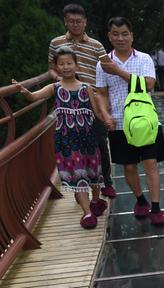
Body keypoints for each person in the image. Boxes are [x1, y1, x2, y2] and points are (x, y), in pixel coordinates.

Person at [13, 48, 106, 229]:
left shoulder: (86, 89)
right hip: (66, 141)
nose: (66, 67)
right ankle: (87, 213)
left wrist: (109, 121)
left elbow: (96, 113)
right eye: (61, 64)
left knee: (93, 173)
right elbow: (34, 97)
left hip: (88, 139)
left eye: (69, 63)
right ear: (56, 67)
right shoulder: (54, 88)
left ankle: (96, 201)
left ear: (76, 65)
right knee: (76, 173)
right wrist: (24, 91)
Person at [95, 16, 164, 226]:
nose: (120, 38)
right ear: (109, 36)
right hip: (119, 122)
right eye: (116, 34)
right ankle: (140, 200)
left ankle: (156, 207)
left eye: (125, 33)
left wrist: (118, 71)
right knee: (128, 168)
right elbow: (100, 93)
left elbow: (149, 84)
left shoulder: (143, 59)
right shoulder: (103, 64)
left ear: (132, 35)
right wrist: (105, 115)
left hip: (146, 121)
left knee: (151, 164)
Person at [48, 3, 117, 205]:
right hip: (69, 103)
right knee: (75, 149)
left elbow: (108, 68)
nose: (75, 24)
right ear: (65, 21)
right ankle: (81, 187)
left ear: (85, 22)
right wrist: (59, 82)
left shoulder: (96, 45)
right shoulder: (56, 43)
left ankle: (107, 183)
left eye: (79, 21)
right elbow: (51, 69)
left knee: (99, 145)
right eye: (71, 21)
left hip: (92, 100)